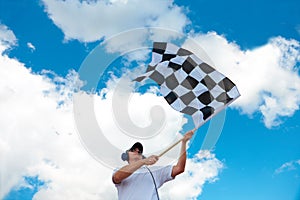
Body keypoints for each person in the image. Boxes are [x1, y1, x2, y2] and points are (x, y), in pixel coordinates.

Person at [112, 130, 195, 200]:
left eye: (139, 151)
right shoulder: (119, 169)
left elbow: (179, 168)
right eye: (133, 150)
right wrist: (143, 161)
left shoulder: (153, 171)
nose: (137, 151)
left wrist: (184, 143)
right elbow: (117, 177)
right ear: (126, 155)